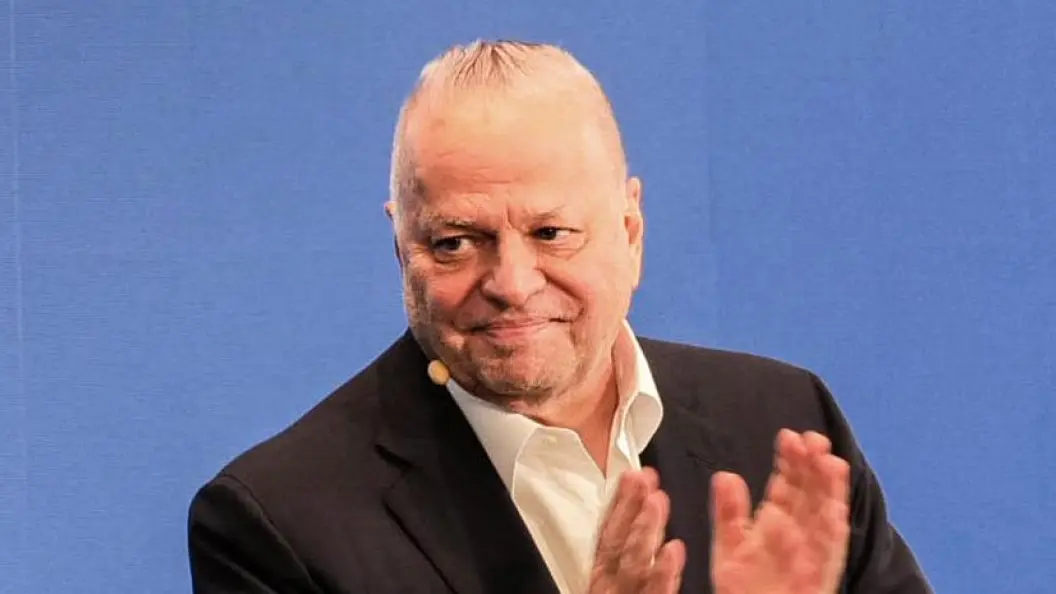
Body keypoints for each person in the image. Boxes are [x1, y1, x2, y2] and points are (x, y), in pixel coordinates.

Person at [187, 39, 932, 593]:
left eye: (551, 233)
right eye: (455, 242)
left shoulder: (782, 422)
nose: (512, 284)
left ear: (631, 233)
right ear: (399, 245)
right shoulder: (277, 524)